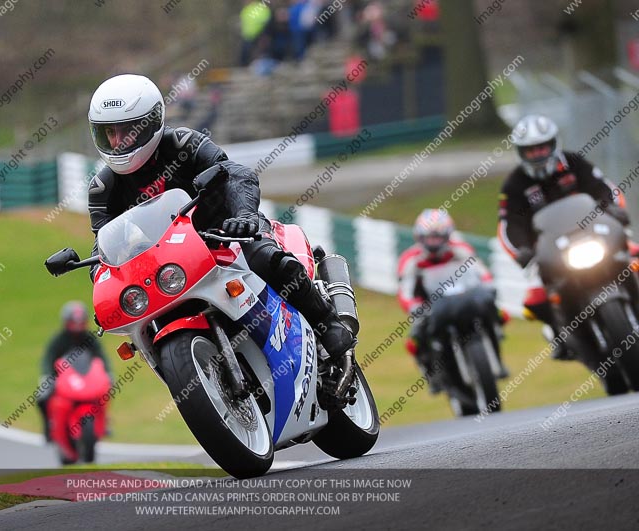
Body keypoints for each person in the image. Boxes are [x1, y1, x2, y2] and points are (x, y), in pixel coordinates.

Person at [81, 73, 356, 369]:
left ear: (149, 124)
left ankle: (327, 323)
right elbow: (104, 245)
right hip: (170, 262)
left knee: (265, 258)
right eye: (109, 133)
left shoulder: (184, 143)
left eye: (126, 132)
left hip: (227, 231)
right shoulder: (103, 189)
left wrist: (245, 217)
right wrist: (100, 275)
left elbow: (236, 174)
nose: (117, 142)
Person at [498, 114, 634, 359]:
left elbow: (603, 188)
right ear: (520, 152)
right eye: (530, 150)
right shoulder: (515, 184)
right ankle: (561, 335)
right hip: (552, 252)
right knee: (537, 301)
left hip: (594, 236)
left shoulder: (574, 163)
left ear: (553, 144)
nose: (537, 154)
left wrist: (613, 209)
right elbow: (510, 225)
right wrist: (522, 250)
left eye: (542, 147)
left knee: (632, 257)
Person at [398, 209, 502, 391]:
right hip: (430, 307)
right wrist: (414, 307)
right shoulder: (411, 259)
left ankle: (496, 347)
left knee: (497, 311)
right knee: (415, 340)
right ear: (419, 237)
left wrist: (488, 285)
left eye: (438, 237)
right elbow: (405, 290)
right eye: (429, 237)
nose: (434, 242)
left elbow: (480, 271)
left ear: (447, 235)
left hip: (462, 298)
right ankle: (431, 373)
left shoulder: (460, 249)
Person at [38, 301, 111, 441]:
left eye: (81, 322)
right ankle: (48, 427)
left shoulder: (90, 338)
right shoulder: (58, 340)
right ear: (66, 322)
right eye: (74, 322)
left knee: (105, 393)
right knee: (42, 398)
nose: (77, 326)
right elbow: (48, 359)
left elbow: (101, 357)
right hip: (62, 379)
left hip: (86, 377)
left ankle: (104, 422)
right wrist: (47, 376)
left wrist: (107, 373)